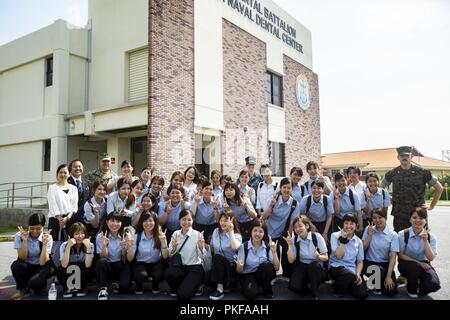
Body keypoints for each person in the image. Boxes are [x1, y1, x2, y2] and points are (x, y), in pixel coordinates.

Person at [380, 146, 443, 232]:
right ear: (398, 157)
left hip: (418, 214)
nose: (404, 158)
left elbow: (439, 188)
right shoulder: (392, 173)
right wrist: (388, 199)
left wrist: (432, 205)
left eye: (407, 156)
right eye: (402, 156)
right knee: (401, 240)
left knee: (422, 238)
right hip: (400, 214)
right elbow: (380, 188)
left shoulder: (423, 172)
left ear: (411, 157)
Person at [260, 177, 301, 278]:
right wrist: (271, 205)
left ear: (292, 189)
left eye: (289, 188)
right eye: (284, 187)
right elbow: (263, 217)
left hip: (283, 231)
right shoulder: (273, 199)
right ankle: (272, 276)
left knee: (287, 253)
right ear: (280, 188)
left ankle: (287, 275)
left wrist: (289, 237)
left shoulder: (295, 204)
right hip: (269, 232)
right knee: (273, 254)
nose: (286, 190)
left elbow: (292, 222)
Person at [164, 209, 207, 300]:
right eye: (183, 219)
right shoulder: (175, 233)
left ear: (193, 221)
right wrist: (174, 248)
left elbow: (203, 257)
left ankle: (197, 285)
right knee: (169, 273)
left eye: (189, 220)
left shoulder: (197, 234)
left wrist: (201, 247)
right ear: (179, 220)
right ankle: (178, 288)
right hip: (180, 267)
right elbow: (170, 255)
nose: (186, 222)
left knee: (183, 295)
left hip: (195, 267)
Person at [398, 207, 440, 298]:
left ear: (425, 221)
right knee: (414, 268)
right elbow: (400, 255)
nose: (417, 220)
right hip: (407, 263)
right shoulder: (403, 234)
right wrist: (418, 263)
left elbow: (431, 258)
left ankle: (418, 283)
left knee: (433, 284)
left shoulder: (431, 237)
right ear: (410, 219)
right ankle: (411, 287)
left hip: (424, 264)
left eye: (421, 218)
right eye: (414, 217)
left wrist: (425, 241)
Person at [11, 213, 53, 299]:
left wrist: (44, 244)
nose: (34, 231)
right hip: (27, 264)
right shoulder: (19, 235)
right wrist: (25, 241)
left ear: (43, 226)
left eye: (38, 228)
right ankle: (23, 288)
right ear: (28, 226)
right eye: (32, 228)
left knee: (36, 286)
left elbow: (42, 262)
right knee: (16, 265)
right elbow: (22, 258)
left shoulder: (47, 237)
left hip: (41, 265)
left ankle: (39, 286)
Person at [286, 215, 328, 300]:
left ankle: (314, 293)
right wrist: (289, 245)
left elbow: (326, 257)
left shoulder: (317, 236)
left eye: (300, 226)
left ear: (307, 226)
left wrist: (319, 256)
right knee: (293, 287)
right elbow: (291, 261)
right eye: (295, 227)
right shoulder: (294, 239)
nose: (298, 229)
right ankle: (308, 288)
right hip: (303, 266)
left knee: (313, 267)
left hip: (317, 268)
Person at [235, 220, 280, 300]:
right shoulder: (244, 246)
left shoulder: (268, 246)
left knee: (267, 265)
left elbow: (276, 268)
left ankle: (267, 290)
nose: (257, 234)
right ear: (251, 231)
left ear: (264, 234)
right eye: (255, 230)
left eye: (261, 231)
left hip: (262, 275)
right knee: (250, 294)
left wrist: (274, 252)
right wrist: (240, 266)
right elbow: (239, 271)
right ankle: (250, 287)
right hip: (248, 274)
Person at [328, 214, 368, 299]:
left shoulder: (359, 241)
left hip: (351, 269)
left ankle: (346, 285)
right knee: (350, 276)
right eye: (346, 223)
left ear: (356, 226)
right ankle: (335, 287)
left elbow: (360, 261)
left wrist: (358, 274)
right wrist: (343, 239)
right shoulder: (335, 236)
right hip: (336, 266)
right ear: (342, 224)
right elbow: (338, 256)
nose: (348, 226)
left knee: (362, 294)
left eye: (351, 223)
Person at [95, 212, 133, 300]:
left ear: (122, 223)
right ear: (107, 222)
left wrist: (124, 248)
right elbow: (102, 257)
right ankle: (103, 288)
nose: (115, 224)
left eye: (118, 221)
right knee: (101, 262)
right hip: (107, 265)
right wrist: (104, 245)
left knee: (124, 287)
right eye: (112, 221)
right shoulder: (101, 236)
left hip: (120, 264)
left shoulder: (126, 235)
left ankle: (118, 282)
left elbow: (125, 258)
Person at [361, 209, 398, 296]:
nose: (377, 220)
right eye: (374, 218)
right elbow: (362, 248)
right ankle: (375, 285)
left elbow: (393, 257)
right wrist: (369, 235)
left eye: (380, 217)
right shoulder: (368, 229)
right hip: (370, 264)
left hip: (385, 264)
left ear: (385, 218)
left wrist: (389, 276)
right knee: (378, 272)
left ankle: (376, 284)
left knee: (391, 291)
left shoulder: (393, 234)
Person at [131, 211, 169, 294]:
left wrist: (163, 242)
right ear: (141, 223)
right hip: (140, 263)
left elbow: (165, 256)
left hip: (156, 263)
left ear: (155, 222)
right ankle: (139, 286)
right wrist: (129, 246)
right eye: (145, 221)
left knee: (158, 274)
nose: (148, 223)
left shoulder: (160, 235)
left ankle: (155, 286)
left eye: (151, 221)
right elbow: (130, 258)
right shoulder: (136, 236)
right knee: (140, 276)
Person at [208, 211, 242, 300]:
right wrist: (201, 244)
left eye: (226, 220)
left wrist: (230, 231)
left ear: (232, 221)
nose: (223, 223)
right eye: (221, 220)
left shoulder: (236, 235)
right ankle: (226, 285)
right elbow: (211, 248)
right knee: (206, 278)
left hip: (230, 267)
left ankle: (220, 289)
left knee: (217, 257)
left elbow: (235, 248)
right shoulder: (216, 231)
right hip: (218, 266)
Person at [58, 223, 94, 298]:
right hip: (69, 272)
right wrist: (68, 247)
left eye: (82, 233)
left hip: (82, 272)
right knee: (60, 268)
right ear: (71, 235)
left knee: (88, 268)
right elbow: (64, 265)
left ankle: (82, 288)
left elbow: (88, 265)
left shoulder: (90, 245)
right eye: (77, 234)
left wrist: (87, 248)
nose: (80, 236)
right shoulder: (64, 245)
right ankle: (67, 288)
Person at [47, 164, 78, 245]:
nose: (63, 174)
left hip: (70, 219)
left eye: (65, 172)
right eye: (60, 172)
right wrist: (60, 219)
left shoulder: (74, 188)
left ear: (69, 174)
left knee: (70, 243)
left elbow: (74, 206)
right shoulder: (52, 188)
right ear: (57, 174)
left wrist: (67, 218)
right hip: (55, 220)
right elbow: (52, 205)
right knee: (55, 244)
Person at [67, 159, 91, 227]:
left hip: (84, 217)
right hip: (70, 217)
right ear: (70, 169)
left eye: (80, 166)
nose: (78, 168)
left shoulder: (88, 183)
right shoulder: (66, 182)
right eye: (75, 167)